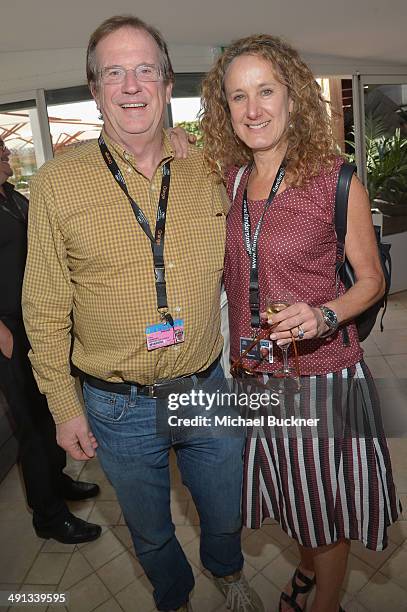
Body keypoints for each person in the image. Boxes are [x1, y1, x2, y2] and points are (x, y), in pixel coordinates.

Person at [22, 15, 263, 612]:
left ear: (165, 82)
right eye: (115, 72)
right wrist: (63, 407)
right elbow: (45, 308)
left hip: (204, 385)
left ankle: (226, 572)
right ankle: (174, 596)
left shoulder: (209, 171)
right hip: (116, 402)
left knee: (226, 510)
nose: (131, 85)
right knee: (151, 528)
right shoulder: (56, 185)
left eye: (145, 71)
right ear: (96, 87)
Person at [200, 34, 400, 612]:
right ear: (226, 110)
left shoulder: (335, 180)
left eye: (266, 91)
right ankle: (310, 574)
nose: (253, 109)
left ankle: (325, 604)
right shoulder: (233, 182)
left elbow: (372, 281)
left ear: (293, 99)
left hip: (321, 380)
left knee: (324, 509)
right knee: (295, 498)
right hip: (254, 380)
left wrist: (323, 314)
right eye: (239, 97)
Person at [0, 136, 102, 544]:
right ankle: (48, 515)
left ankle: (57, 480)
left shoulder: (12, 195)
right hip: (10, 329)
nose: (6, 153)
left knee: (51, 410)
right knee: (31, 424)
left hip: (37, 322)